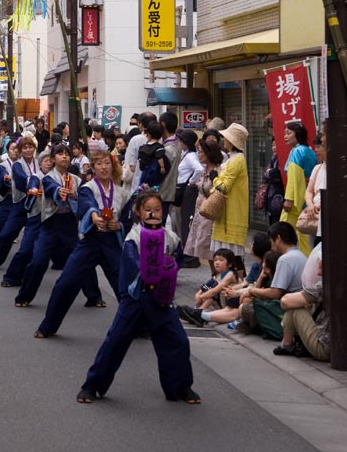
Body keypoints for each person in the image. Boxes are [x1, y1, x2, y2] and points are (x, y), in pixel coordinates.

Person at [76, 190, 199, 405]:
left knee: (178, 341)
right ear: (138, 212)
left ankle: (180, 387)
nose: (153, 214)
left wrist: (169, 268)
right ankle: (92, 385)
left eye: (158, 209)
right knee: (115, 342)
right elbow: (133, 265)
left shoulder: (170, 237)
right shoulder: (133, 237)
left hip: (160, 298)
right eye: (148, 210)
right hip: (135, 297)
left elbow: (177, 257)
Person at [35, 151, 126, 338]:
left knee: (126, 286)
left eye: (107, 163)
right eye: (99, 164)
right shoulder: (88, 187)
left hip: (112, 244)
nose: (104, 167)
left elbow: (130, 218)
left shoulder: (122, 192)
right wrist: (94, 216)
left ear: (113, 165)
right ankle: (48, 326)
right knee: (65, 284)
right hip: (90, 242)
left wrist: (120, 225)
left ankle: (139, 327)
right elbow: (86, 203)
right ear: (93, 168)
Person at [14, 144, 81, 307]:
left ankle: (94, 295)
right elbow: (51, 187)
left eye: (67, 154)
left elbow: (84, 197)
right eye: (60, 154)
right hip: (51, 223)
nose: (64, 156)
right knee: (38, 261)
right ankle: (24, 296)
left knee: (82, 260)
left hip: (70, 224)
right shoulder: (47, 177)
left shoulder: (76, 179)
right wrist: (59, 191)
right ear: (52, 159)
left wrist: (75, 194)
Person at [0, 135, 40, 270]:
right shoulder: (15, 165)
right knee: (5, 234)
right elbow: (18, 178)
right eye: (25, 147)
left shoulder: (39, 162)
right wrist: (7, 181)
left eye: (30, 147)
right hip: (18, 202)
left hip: (38, 204)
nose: (28, 150)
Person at [238, 221, 308, 340]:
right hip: (299, 305)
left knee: (245, 309)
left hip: (288, 309)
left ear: (278, 239)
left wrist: (251, 292)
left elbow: (275, 293)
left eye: (271, 241)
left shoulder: (285, 259)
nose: (271, 246)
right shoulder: (301, 255)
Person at [1, 149, 52, 288]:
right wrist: (33, 189)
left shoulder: (59, 177)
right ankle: (12, 277)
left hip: (56, 220)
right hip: (36, 217)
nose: (49, 163)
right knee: (26, 249)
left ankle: (93, 295)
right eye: (46, 161)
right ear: (40, 163)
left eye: (51, 161)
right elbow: (31, 183)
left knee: (75, 255)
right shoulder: (35, 176)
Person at [209, 122, 250, 264]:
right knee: (229, 256)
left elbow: (225, 187)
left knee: (231, 257)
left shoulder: (236, 160)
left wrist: (214, 178)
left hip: (231, 213)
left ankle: (235, 281)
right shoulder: (233, 158)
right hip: (227, 212)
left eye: (226, 137)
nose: (224, 140)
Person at [274, 258, 329, 360]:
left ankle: (286, 344)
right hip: (335, 347)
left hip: (325, 348)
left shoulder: (326, 285)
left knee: (295, 308)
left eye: (321, 268)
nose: (318, 273)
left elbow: (285, 301)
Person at [183, 136, 225, 269]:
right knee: (204, 247)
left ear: (209, 153)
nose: (198, 154)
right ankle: (214, 276)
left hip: (211, 214)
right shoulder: (204, 170)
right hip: (200, 213)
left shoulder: (218, 171)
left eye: (200, 151)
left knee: (210, 247)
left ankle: (217, 276)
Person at [176, 248, 241, 327]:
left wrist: (201, 296)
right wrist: (198, 295)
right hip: (224, 303)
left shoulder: (230, 275)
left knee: (213, 292)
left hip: (233, 303)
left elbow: (215, 291)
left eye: (221, 260)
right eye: (215, 260)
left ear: (230, 264)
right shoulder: (217, 274)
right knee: (209, 291)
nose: (217, 262)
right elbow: (206, 286)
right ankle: (197, 311)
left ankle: (198, 312)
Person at [281, 120, 318, 255]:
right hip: (307, 194)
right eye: (285, 133)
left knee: (290, 232)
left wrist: (289, 199)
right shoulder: (308, 150)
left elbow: (294, 177)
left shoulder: (297, 151)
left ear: (297, 134)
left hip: (298, 198)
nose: (285, 136)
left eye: (288, 133)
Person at [158, 112, 182, 226]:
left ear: (162, 124)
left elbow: (160, 172)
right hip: (170, 192)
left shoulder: (168, 149)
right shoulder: (178, 144)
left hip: (163, 192)